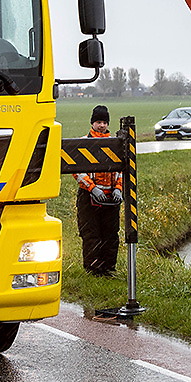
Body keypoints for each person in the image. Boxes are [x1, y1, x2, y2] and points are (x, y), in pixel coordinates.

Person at [75, 105, 123, 276]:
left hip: (111, 198)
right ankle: (93, 269)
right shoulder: (83, 143)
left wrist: (118, 189)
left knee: (111, 235)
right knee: (91, 234)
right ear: (92, 123)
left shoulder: (115, 144)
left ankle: (109, 268)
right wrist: (92, 188)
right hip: (88, 197)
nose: (102, 125)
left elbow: (120, 171)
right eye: (98, 122)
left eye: (104, 122)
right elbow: (77, 171)